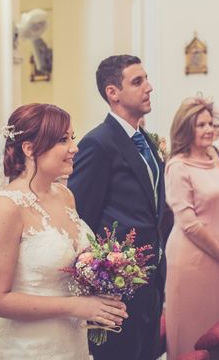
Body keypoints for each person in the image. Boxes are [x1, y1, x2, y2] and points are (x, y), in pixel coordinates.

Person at [0, 103, 127, 359]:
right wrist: (78, 306)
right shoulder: (6, 206)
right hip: (27, 347)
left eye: (72, 138)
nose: (75, 148)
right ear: (29, 148)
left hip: (72, 342)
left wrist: (102, 283)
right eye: (62, 140)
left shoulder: (65, 195)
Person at [69, 55, 170, 360]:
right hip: (118, 282)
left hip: (151, 275)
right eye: (137, 81)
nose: (149, 87)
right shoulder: (98, 143)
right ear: (113, 92)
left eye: (146, 79)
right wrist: (99, 277)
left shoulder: (147, 141)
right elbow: (80, 218)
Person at [164, 96, 219, 359]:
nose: (209, 129)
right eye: (201, 125)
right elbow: (189, 225)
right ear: (187, 128)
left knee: (218, 327)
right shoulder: (177, 167)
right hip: (193, 261)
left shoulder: (213, 156)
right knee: (192, 331)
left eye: (211, 124)